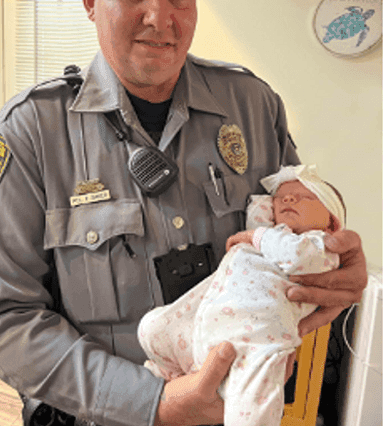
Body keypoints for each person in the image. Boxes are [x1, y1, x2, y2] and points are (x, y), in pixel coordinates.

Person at [0, 0, 368, 426]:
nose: (161, 16)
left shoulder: (253, 105)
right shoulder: (31, 133)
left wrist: (335, 264)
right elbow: (1, 320)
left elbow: (296, 223)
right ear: (90, 0)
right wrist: (154, 404)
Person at [138, 165, 345, 426]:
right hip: (205, 323)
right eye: (282, 198)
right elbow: (257, 211)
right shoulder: (271, 235)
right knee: (152, 328)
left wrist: (256, 235)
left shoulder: (321, 246)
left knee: (251, 411)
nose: (289, 199)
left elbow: (295, 255)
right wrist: (267, 206)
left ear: (332, 223)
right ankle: (170, 379)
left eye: (305, 197)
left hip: (257, 340)